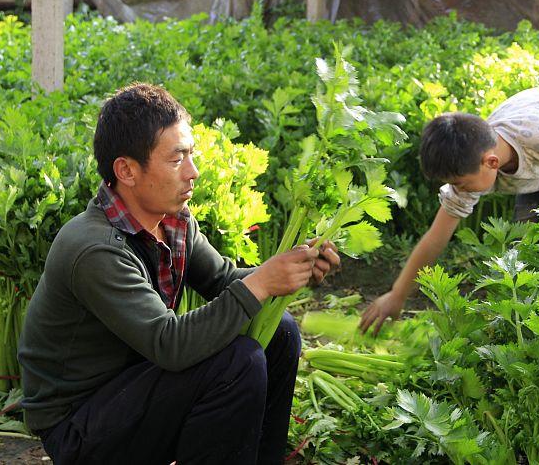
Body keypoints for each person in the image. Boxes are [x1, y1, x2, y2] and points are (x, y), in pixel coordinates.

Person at [17, 83, 340, 465]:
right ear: (126, 170)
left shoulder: (172, 223)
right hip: (81, 427)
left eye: (191, 155)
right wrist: (263, 282)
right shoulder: (95, 248)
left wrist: (294, 269)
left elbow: (224, 281)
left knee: (280, 331)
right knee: (238, 363)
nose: (193, 172)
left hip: (134, 391)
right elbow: (169, 344)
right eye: (176, 159)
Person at [360, 84, 539, 334]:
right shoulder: (476, 158)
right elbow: (436, 236)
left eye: (460, 183)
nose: (458, 189)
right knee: (527, 257)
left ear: (491, 163)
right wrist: (397, 295)